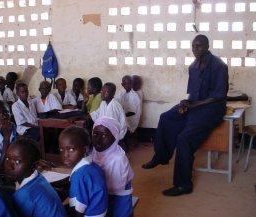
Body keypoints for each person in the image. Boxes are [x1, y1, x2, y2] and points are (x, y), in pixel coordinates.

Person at [142, 35, 229, 197]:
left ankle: (183, 185)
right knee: (166, 117)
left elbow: (218, 96)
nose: (195, 49)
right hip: (196, 105)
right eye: (193, 46)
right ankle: (161, 156)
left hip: (213, 109)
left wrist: (193, 105)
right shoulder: (193, 67)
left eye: (199, 46)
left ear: (207, 46)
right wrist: (184, 104)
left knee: (184, 138)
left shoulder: (219, 66)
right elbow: (193, 95)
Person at [4, 137, 67, 217]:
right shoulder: (39, 178)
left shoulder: (24, 194)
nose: (9, 166)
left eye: (17, 162)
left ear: (33, 166)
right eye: (7, 158)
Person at [59, 126, 108, 217]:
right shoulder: (93, 165)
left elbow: (79, 209)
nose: (65, 155)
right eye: (61, 149)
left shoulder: (80, 175)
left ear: (85, 150)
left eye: (71, 149)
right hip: (101, 211)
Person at [92, 116, 134, 217]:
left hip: (118, 203)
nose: (98, 140)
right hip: (103, 199)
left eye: (104, 135)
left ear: (115, 136)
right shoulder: (94, 152)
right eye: (95, 134)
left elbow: (114, 189)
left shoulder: (118, 159)